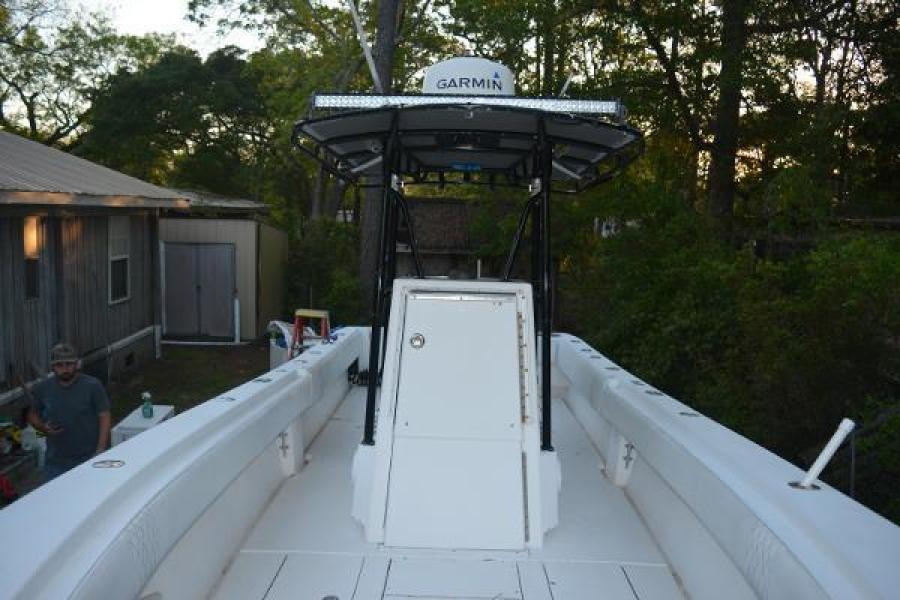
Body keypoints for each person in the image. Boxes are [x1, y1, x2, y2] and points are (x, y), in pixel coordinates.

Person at [27, 343, 111, 481]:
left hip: (88, 459)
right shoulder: (43, 388)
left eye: (69, 364)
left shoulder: (92, 386)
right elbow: (32, 415)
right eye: (59, 365)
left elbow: (104, 416)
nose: (65, 369)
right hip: (55, 463)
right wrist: (43, 428)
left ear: (77, 364)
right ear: (52, 367)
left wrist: (100, 449)